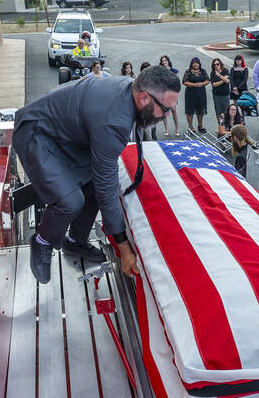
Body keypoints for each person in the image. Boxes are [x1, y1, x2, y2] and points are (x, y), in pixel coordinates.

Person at [12, 67, 181, 284]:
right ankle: (43, 241)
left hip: (67, 135)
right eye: (166, 109)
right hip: (38, 134)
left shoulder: (131, 89)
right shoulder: (114, 120)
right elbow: (107, 185)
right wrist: (123, 245)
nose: (167, 115)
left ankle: (75, 241)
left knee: (91, 187)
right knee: (70, 202)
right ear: (144, 98)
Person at [182, 57, 211, 133]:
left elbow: (208, 80)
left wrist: (202, 84)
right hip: (190, 94)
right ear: (191, 64)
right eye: (194, 63)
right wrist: (194, 85)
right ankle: (190, 127)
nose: (195, 64)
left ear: (199, 64)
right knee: (190, 110)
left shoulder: (202, 71)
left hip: (201, 93)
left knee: (200, 109)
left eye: (197, 63)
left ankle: (200, 126)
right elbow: (184, 81)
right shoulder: (188, 71)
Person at [157, 55, 181, 137]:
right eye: (163, 61)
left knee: (174, 110)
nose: (164, 62)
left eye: (166, 60)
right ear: (161, 62)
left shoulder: (173, 71)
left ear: (168, 61)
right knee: (165, 112)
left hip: (172, 93)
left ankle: (177, 128)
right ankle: (166, 129)